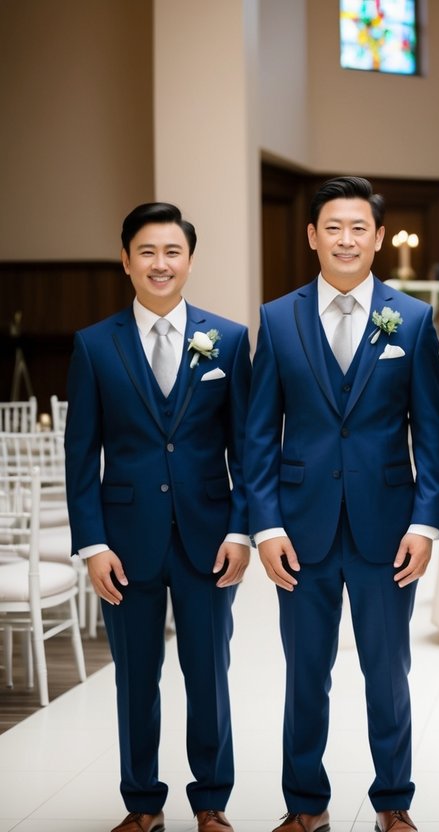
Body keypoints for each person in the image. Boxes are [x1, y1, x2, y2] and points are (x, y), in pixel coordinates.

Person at [246, 176, 439, 832]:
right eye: (333, 227)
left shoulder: (411, 319)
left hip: (386, 528)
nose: (346, 239)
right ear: (312, 236)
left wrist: (424, 520)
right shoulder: (276, 319)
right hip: (299, 529)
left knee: (388, 674)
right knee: (306, 676)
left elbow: (431, 431)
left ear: (379, 237)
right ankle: (305, 805)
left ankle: (394, 804)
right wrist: (265, 523)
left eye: (359, 227)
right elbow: (258, 432)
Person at [65, 202, 251, 832]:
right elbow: (80, 454)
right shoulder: (94, 346)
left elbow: (244, 447)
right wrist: (92, 543)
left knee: (210, 677)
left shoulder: (227, 339)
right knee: (134, 680)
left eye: (172, 251)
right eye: (147, 251)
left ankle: (212, 803)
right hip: (125, 542)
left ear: (190, 260)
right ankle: (142, 804)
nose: (160, 263)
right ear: (126, 261)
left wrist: (240, 530)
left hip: (207, 537)